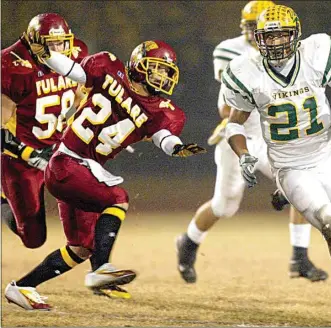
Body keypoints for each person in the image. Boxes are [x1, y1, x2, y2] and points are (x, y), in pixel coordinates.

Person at [222, 5, 331, 327]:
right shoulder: (247, 72)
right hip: (289, 164)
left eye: (280, 35)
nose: (274, 43)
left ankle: (288, 195)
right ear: (258, 39)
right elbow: (233, 124)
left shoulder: (317, 55)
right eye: (267, 36)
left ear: (296, 35)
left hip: (326, 156)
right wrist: (244, 154)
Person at [4, 36, 206, 310]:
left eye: (166, 71)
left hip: (81, 169)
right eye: (156, 67)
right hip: (68, 161)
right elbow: (73, 70)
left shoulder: (163, 111)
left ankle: (22, 287)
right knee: (117, 198)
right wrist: (47, 56)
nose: (162, 76)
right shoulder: (108, 67)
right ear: (138, 65)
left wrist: (178, 147)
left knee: (81, 247)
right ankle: (101, 269)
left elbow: (163, 137)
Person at [176, 0, 327, 284]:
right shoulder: (232, 54)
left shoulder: (294, 56)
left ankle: (299, 258)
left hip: (274, 139)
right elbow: (226, 108)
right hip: (240, 137)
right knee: (224, 206)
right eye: (251, 27)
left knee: (302, 186)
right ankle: (188, 242)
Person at [1, 13, 89, 247]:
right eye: (51, 44)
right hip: (20, 157)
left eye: (62, 42)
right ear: (34, 43)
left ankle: (101, 265)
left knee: (94, 199)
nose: (59, 49)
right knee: (33, 239)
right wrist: (29, 154)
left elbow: (82, 96)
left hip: (60, 150)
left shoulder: (78, 54)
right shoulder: (14, 67)